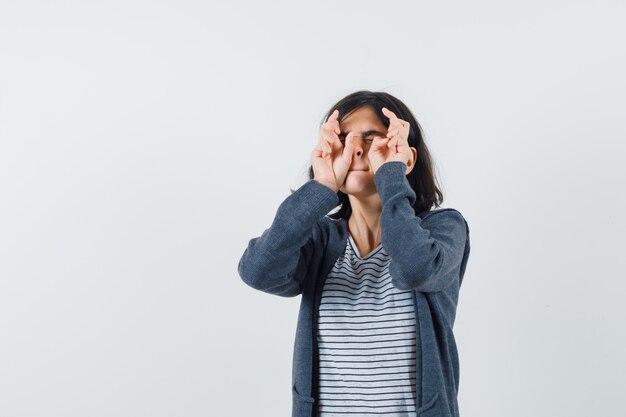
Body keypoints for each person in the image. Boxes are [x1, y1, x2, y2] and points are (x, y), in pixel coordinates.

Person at [238, 90, 471, 417]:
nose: (355, 148)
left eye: (371, 137)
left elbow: (415, 267)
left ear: (407, 157)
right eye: (343, 138)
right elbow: (258, 271)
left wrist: (390, 174)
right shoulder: (319, 240)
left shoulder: (443, 228)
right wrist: (321, 188)